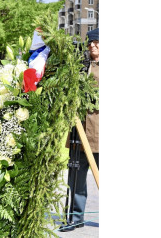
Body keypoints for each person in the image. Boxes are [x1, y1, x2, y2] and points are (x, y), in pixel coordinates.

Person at [60, 28, 99, 232]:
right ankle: (76, 217)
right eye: (90, 43)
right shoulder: (82, 65)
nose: (92, 45)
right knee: (76, 175)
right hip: (80, 130)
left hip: (101, 132)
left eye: (97, 42)